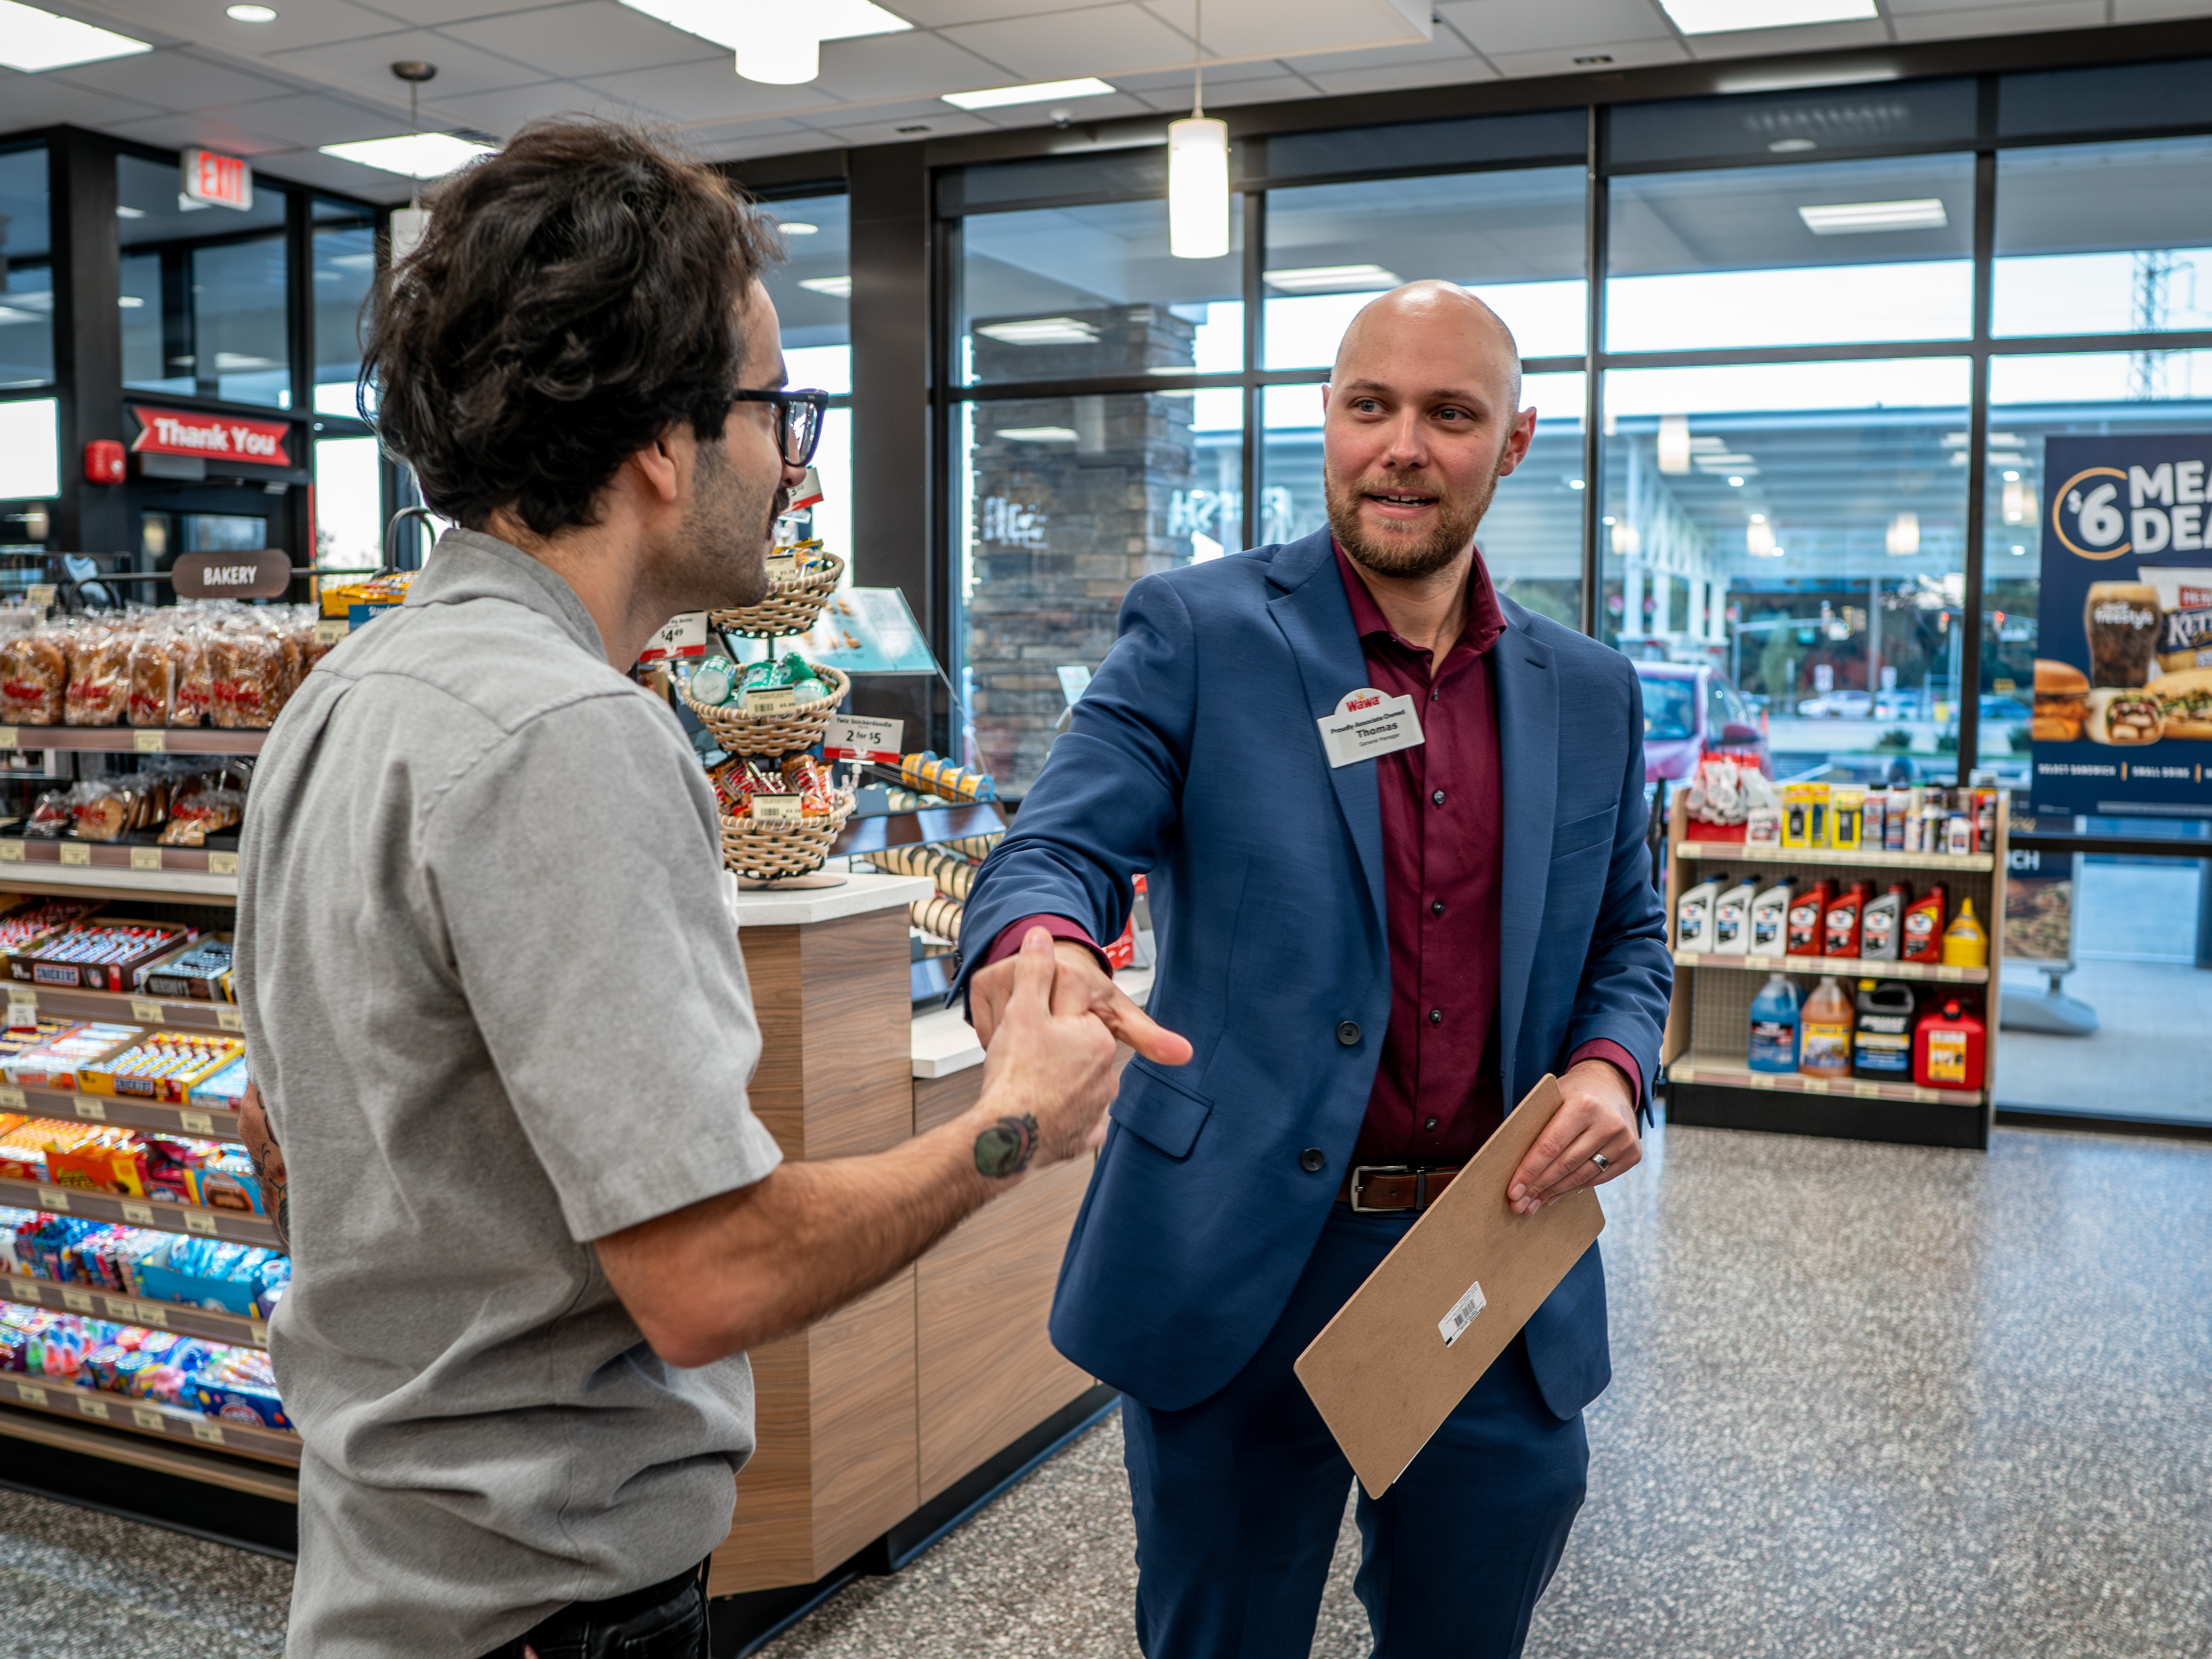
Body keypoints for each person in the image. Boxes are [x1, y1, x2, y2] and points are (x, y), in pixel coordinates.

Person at [232, 119, 1120, 1659]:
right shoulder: (572, 734)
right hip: (545, 1609)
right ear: (660, 439)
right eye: (780, 408)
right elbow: (711, 1273)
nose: (790, 459)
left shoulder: (350, 690)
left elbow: (285, 1133)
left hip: (386, 1569)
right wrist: (1013, 1120)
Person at [958, 281, 1672, 1658]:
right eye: (1369, 406)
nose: (1401, 444)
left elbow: (1626, 943)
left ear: (1512, 443)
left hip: (1487, 1248)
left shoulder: (1589, 689)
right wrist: (1038, 946)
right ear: (1327, 422)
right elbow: (1054, 846)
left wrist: (1607, 1063)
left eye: (1448, 414)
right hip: (1240, 1256)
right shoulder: (1200, 632)